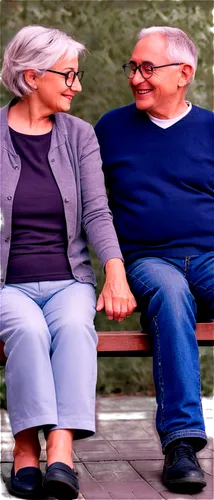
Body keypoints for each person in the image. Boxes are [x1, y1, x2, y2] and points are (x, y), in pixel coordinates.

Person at [0, 25, 137, 500]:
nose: (76, 86)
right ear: (32, 74)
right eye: (69, 76)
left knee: (77, 328)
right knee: (28, 331)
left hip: (68, 281)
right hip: (7, 285)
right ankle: (23, 449)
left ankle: (60, 449)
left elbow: (98, 211)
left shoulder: (79, 135)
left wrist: (114, 270)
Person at [95, 26, 214, 494]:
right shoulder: (111, 128)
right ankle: (182, 443)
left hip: (209, 257)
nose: (136, 78)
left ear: (184, 74)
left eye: (149, 68)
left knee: (182, 294)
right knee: (169, 294)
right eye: (133, 67)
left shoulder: (211, 128)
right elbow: (85, 204)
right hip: (149, 262)